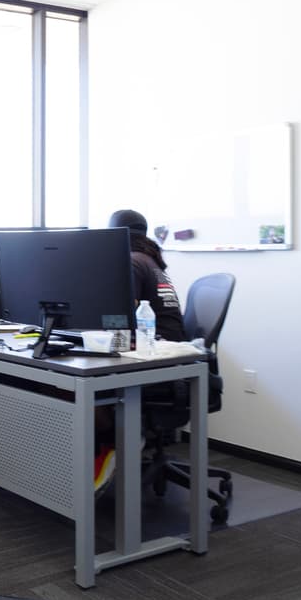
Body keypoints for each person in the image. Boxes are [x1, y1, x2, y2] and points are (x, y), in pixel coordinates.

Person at [93, 209, 186, 495]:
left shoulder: (131, 262)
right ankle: (120, 442)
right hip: (168, 359)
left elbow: (121, 315)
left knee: (80, 384)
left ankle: (120, 444)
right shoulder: (150, 260)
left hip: (153, 362)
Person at [108, 208, 185, 342]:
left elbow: (122, 314)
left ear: (114, 235)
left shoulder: (131, 262)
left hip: (155, 345)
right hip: (170, 340)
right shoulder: (147, 259)